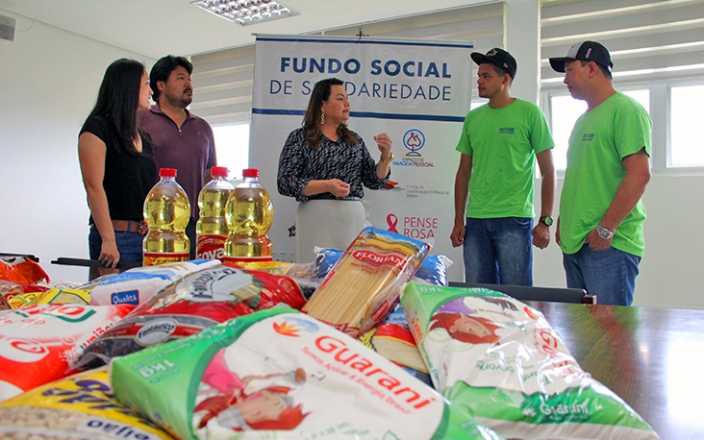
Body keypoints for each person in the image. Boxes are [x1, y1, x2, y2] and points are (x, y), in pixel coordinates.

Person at [549, 41, 651, 306]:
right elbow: (582, 177)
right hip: (577, 244)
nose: (565, 80)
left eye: (570, 70)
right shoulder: (583, 120)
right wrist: (564, 220)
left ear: (592, 68)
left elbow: (639, 175)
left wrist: (606, 229)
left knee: (609, 339)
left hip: (609, 247)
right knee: (583, 335)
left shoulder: (626, 110)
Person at [450, 48, 556, 286]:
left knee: (517, 294)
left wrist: (545, 221)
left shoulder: (530, 114)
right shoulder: (474, 118)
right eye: (479, 76)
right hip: (476, 219)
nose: (479, 81)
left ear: (505, 79)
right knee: (478, 294)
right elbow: (463, 172)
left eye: (486, 76)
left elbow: (548, 171)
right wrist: (459, 219)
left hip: (514, 218)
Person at [277, 78, 393, 262]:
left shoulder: (354, 140)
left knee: (350, 279)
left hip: (352, 221)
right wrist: (326, 185)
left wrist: (385, 157)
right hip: (316, 220)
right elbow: (285, 182)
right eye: (340, 98)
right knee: (314, 278)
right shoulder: (300, 138)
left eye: (347, 98)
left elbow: (373, 179)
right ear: (322, 105)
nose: (347, 104)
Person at [78, 58, 157, 277]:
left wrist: (148, 222)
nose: (150, 90)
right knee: (111, 304)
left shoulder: (145, 138)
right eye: (146, 84)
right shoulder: (97, 129)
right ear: (129, 87)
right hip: (114, 237)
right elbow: (94, 188)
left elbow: (145, 189)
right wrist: (108, 240)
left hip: (143, 241)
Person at [139, 55, 217, 259]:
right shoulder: (142, 120)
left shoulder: (202, 127)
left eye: (189, 79)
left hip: (193, 226)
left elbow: (210, 176)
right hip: (152, 224)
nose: (188, 84)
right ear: (161, 85)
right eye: (181, 78)